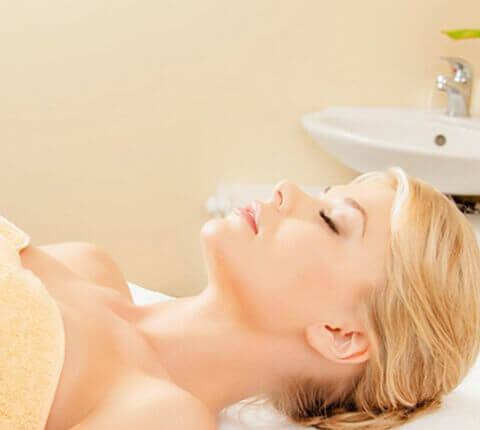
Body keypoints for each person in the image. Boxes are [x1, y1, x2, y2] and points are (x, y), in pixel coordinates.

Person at [19, 165, 480, 429]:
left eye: (331, 221)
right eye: (321, 195)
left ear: (340, 334)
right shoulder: (87, 264)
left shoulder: (162, 416)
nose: (285, 190)